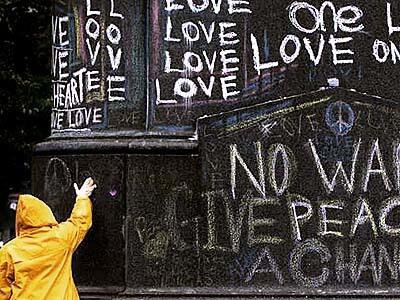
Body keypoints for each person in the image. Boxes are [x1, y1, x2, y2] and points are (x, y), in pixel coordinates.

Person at [0, 177, 97, 299]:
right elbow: (80, 221)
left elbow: (3, 290)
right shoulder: (61, 237)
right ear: (46, 212)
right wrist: (82, 198)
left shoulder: (9, 250)